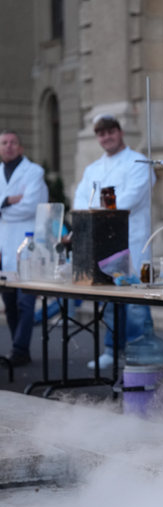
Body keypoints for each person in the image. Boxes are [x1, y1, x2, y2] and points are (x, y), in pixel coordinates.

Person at [73, 114, 155, 370]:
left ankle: (141, 351)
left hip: (133, 239)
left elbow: (130, 198)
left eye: (110, 132)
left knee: (136, 300)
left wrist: (96, 210)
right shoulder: (92, 169)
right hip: (103, 243)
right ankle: (112, 348)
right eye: (101, 133)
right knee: (109, 297)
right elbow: (79, 201)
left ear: (120, 132)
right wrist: (95, 212)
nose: (106, 137)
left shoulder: (139, 162)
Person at [0, 131, 49, 366]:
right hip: (4, 247)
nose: (8, 146)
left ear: (21, 147)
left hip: (28, 245)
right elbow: (19, 205)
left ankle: (20, 349)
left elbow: (29, 206)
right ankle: (18, 349)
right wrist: (8, 200)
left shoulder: (34, 172)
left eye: (13, 142)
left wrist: (2, 208)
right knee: (9, 303)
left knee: (25, 302)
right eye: (4, 142)